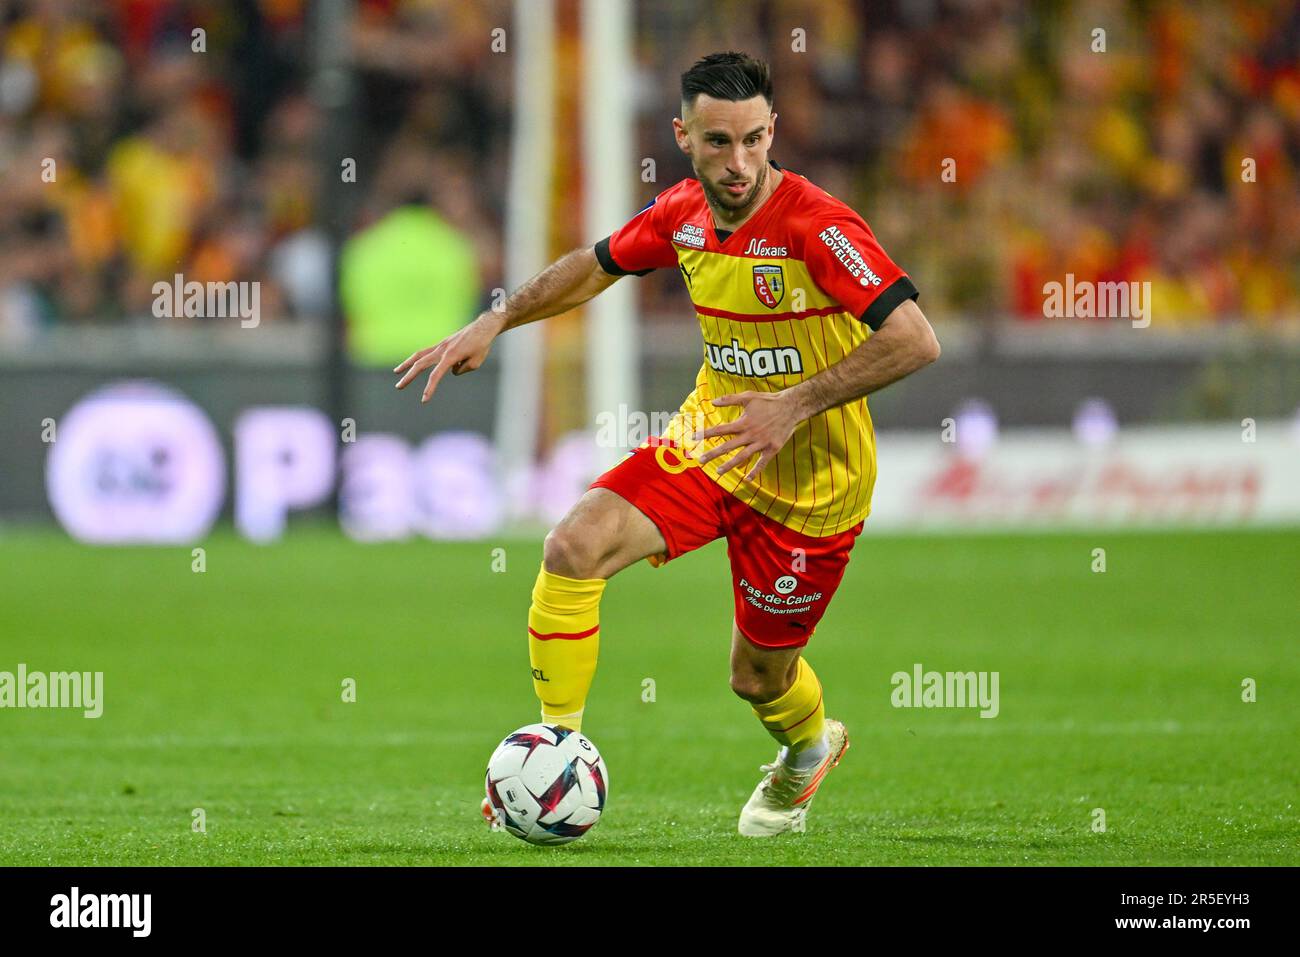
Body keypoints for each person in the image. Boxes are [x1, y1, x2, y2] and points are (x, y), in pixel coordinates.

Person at [395, 52, 940, 837]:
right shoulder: (683, 213)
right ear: (683, 134)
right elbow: (596, 265)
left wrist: (794, 404)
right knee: (572, 546)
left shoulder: (817, 225)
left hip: (815, 484)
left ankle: (810, 747)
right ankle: (556, 747)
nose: (740, 162)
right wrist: (499, 317)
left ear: (773, 130)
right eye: (718, 142)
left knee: (756, 677)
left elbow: (916, 340)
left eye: (754, 139)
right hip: (714, 441)